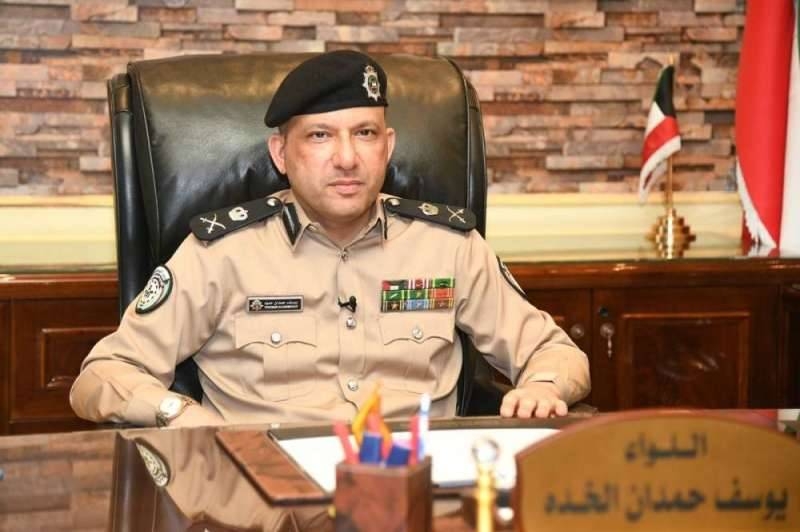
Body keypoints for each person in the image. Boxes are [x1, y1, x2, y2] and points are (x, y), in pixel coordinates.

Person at [70, 50, 590, 428]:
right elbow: (103, 375)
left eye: (364, 133)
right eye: (320, 136)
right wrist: (179, 414)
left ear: (388, 147)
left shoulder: (449, 246)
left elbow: (556, 353)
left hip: (414, 489)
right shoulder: (221, 253)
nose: (346, 158)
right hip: (270, 500)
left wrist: (543, 386)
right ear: (281, 154)